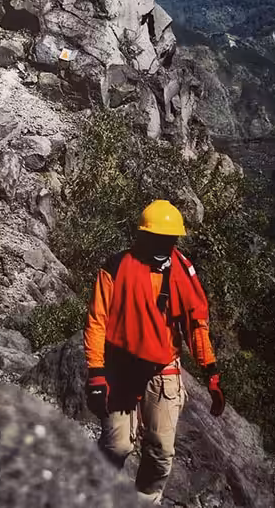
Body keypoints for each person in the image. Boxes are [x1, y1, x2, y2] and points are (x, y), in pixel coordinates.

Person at [84, 200, 225, 504]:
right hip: (120, 366)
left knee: (161, 451)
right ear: (143, 237)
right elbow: (97, 321)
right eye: (158, 238)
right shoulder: (116, 267)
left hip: (163, 369)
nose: (164, 245)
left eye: (169, 239)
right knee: (117, 446)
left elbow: (195, 325)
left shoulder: (181, 273)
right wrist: (96, 373)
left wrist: (210, 372)